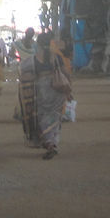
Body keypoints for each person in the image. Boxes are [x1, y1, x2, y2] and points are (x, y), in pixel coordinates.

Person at [31, 31, 74, 159]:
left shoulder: (34, 59)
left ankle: (49, 143)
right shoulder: (56, 57)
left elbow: (30, 77)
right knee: (56, 116)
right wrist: (69, 90)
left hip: (41, 90)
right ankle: (53, 143)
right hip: (57, 89)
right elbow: (66, 73)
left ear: (38, 44)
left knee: (42, 116)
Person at [15, 27, 38, 142]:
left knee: (25, 106)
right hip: (34, 79)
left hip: (24, 77)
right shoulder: (35, 46)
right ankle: (33, 134)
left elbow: (11, 54)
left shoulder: (18, 44)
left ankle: (29, 134)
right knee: (34, 107)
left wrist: (20, 59)